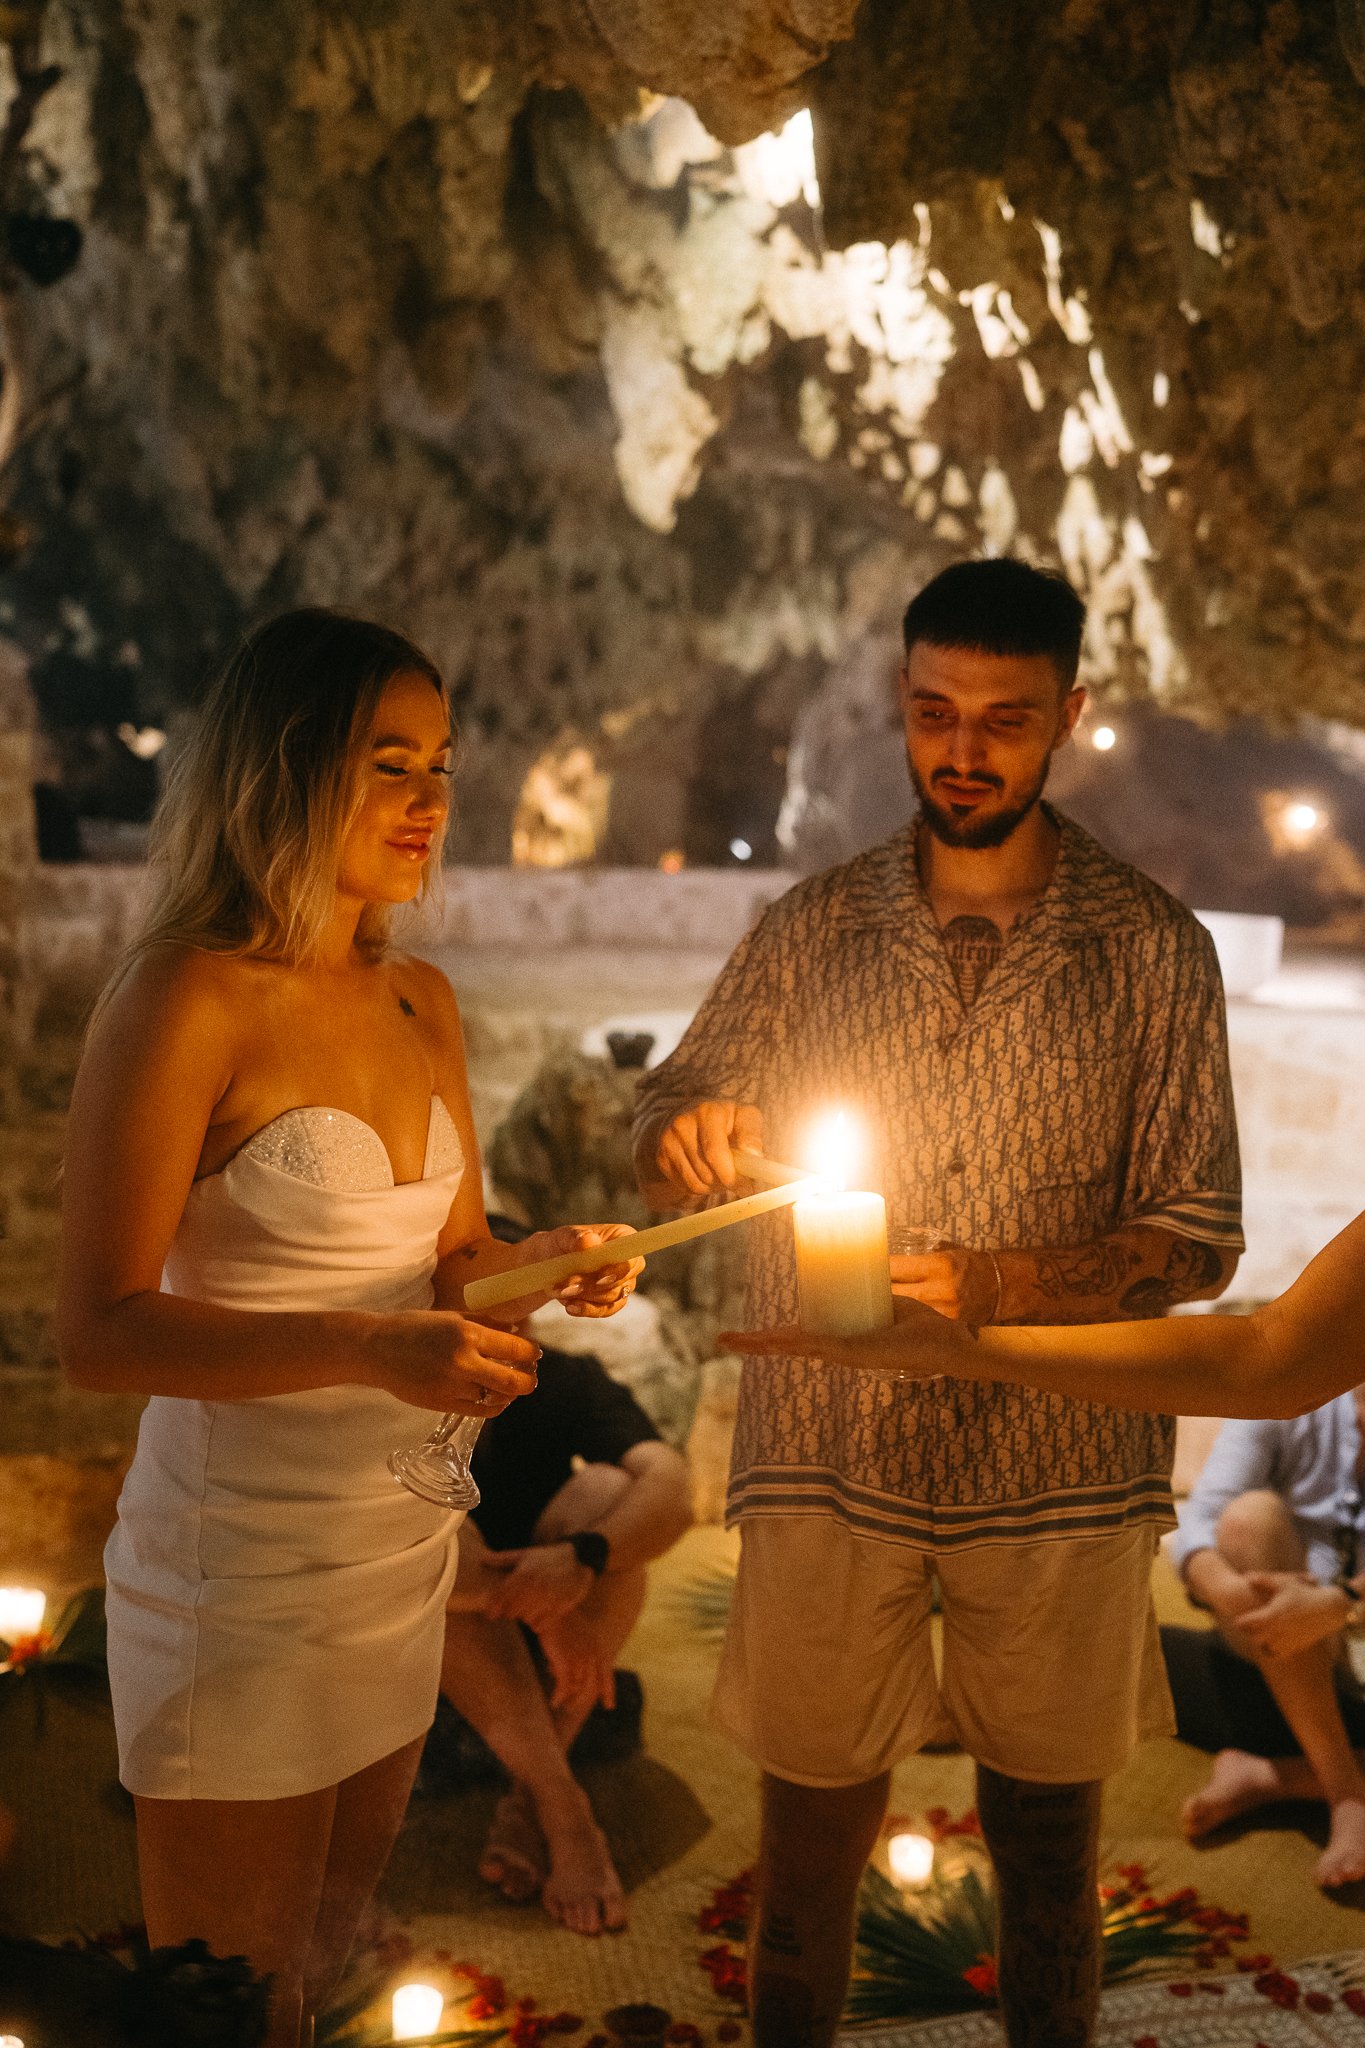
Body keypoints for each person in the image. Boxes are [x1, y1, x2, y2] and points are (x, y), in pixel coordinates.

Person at [635, 556, 1244, 2048]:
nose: (960, 754)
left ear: (1068, 719)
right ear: (898, 708)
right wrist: (684, 1131)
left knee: (1047, 1856)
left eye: (1001, 721)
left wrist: (998, 1289)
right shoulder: (811, 929)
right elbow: (674, 1100)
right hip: (832, 1446)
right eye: (931, 713)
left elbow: (1199, 1239)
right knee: (805, 1855)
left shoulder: (1154, 952)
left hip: (1057, 1465)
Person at [57, 609, 641, 2048]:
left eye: (442, 763)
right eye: (391, 764)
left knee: (322, 1967)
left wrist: (538, 1265)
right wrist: (374, 1353)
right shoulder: (186, 997)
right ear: (288, 767)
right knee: (227, 2008)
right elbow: (101, 1333)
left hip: (397, 1557)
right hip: (236, 1576)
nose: (433, 800)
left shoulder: (419, 997)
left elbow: (447, 1268)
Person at [437, 1312, 693, 1937]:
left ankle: (528, 1796)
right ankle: (563, 1808)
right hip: (432, 1618)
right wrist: (546, 1606)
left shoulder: (558, 1375)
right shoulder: (403, 1382)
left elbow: (672, 1488)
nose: (501, 1319)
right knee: (437, 1542)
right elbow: (415, 1540)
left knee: (610, 1492)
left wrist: (583, 1561)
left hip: (553, 1606)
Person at [1158, 1392, 1365, 1887]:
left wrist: (1339, 1604)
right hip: (1277, 1640)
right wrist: (1236, 1595)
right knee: (1249, 1517)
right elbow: (1197, 1521)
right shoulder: (1294, 1395)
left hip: (1344, 1640)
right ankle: (1344, 1788)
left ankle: (1276, 1777)